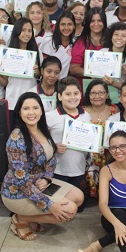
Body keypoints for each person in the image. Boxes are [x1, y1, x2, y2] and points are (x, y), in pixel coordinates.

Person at [2, 92, 83, 241]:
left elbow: (51, 159)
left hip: (40, 183)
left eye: (35, 108)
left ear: (41, 110)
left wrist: (46, 178)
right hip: (18, 192)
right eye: (26, 108)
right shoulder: (16, 138)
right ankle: (21, 219)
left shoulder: (42, 129)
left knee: (78, 197)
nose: (31, 113)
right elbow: (22, 181)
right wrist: (49, 205)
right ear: (19, 112)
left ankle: (30, 217)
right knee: (69, 211)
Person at [46, 77, 91, 206]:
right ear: (59, 96)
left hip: (79, 170)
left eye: (76, 93)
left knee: (78, 206)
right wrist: (53, 147)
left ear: (81, 95)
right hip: (58, 171)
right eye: (67, 94)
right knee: (57, 204)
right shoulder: (50, 116)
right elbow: (40, 142)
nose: (72, 97)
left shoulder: (86, 116)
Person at [0, 18, 40, 126]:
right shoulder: (7, 52)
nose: (27, 34)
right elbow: (4, 83)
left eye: (29, 30)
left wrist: (37, 73)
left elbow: (39, 77)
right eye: (23, 30)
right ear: (17, 31)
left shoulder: (36, 52)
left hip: (30, 101)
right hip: (12, 101)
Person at [69, 8, 107, 85]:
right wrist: (95, 73)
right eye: (92, 21)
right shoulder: (81, 42)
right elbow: (73, 69)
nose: (96, 24)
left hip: (108, 85)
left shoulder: (111, 40)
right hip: (86, 85)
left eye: (99, 21)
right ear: (87, 23)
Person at [40, 11, 75, 78]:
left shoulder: (74, 44)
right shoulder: (49, 42)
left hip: (63, 85)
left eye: (70, 24)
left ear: (74, 26)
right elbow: (43, 66)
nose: (66, 28)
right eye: (63, 24)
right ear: (58, 25)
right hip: (48, 83)